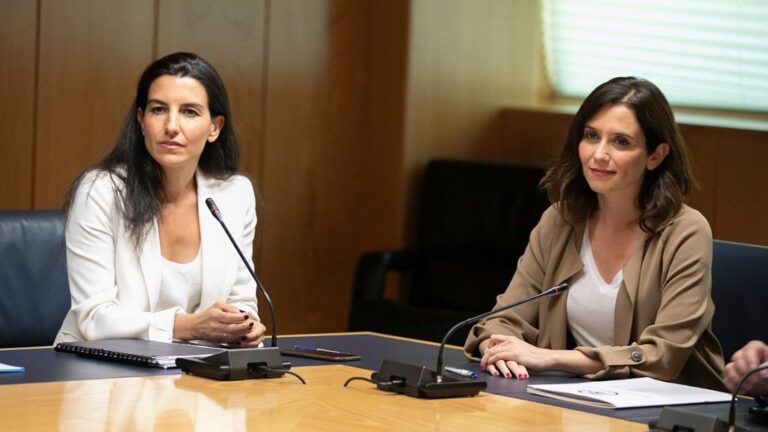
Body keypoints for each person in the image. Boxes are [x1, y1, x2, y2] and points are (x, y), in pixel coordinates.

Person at [464, 77, 725, 390]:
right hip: (575, 400)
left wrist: (550, 358)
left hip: (668, 410)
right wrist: (499, 349)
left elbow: (662, 355)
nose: (599, 154)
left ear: (655, 156)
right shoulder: (560, 220)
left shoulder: (685, 231)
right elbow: (503, 318)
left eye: (621, 142)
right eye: (591, 136)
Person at [55, 52, 267, 346]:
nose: (171, 126)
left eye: (190, 112)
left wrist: (243, 325)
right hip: (98, 370)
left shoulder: (234, 195)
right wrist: (188, 326)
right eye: (158, 110)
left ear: (214, 128)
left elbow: (242, 299)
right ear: (141, 120)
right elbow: (94, 317)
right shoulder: (101, 191)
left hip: (193, 373)